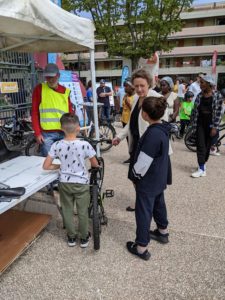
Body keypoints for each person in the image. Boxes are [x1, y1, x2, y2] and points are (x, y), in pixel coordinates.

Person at [43, 113, 99, 247]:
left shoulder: (56, 145)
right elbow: (95, 164)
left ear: (61, 128)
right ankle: (84, 238)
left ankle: (71, 237)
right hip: (81, 183)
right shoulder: (85, 144)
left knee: (67, 210)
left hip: (64, 182)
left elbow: (46, 166)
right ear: (78, 128)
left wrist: (60, 165)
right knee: (82, 211)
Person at [126, 96, 172, 261]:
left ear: (144, 114)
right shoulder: (162, 129)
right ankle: (162, 231)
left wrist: (135, 177)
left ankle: (141, 246)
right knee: (159, 204)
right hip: (159, 177)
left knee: (143, 212)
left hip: (148, 180)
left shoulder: (152, 135)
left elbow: (143, 162)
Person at [112, 69, 161, 212]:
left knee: (147, 179)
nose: (139, 89)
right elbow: (131, 123)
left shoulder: (156, 98)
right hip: (136, 145)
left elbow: (162, 124)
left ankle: (146, 205)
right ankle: (140, 200)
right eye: (136, 86)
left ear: (149, 84)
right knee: (134, 176)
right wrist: (119, 137)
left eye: (142, 86)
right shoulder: (135, 99)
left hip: (149, 148)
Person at [32, 63, 73, 157]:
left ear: (58, 75)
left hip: (64, 132)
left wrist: (72, 131)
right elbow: (34, 113)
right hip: (47, 135)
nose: (50, 80)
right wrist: (37, 133)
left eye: (52, 77)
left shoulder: (66, 91)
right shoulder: (39, 89)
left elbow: (70, 114)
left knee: (65, 161)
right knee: (48, 163)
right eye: (47, 77)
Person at [190, 75, 223, 178]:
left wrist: (214, 127)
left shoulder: (217, 96)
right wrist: (192, 124)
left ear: (209, 84)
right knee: (200, 146)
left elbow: (218, 113)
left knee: (207, 146)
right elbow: (195, 111)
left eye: (202, 83)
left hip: (210, 125)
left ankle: (203, 165)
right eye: (200, 83)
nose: (200, 85)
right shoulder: (199, 96)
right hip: (200, 124)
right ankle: (201, 168)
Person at [121, 78, 135, 164]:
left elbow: (135, 110)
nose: (125, 88)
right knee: (128, 141)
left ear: (132, 86)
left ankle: (134, 158)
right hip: (124, 121)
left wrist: (128, 103)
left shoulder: (136, 97)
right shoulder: (126, 96)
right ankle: (131, 156)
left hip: (131, 122)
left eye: (126, 86)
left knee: (132, 140)